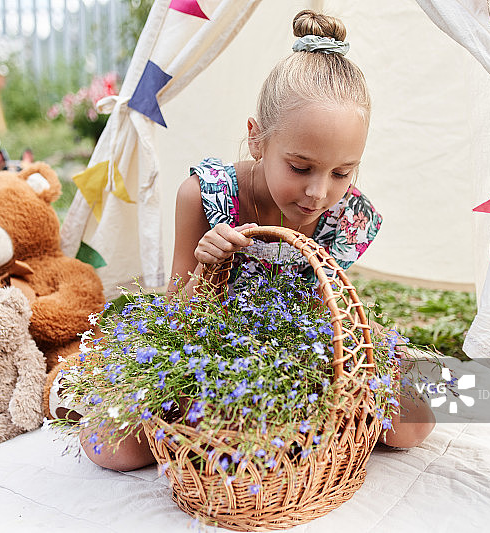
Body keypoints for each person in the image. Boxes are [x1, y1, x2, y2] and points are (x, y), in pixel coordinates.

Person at [83, 9, 435, 471]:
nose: (318, 192)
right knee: (110, 446)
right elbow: (177, 317)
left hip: (294, 365)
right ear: (256, 140)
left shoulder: (344, 217)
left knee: (414, 423)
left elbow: (326, 318)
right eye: (300, 167)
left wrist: (334, 366)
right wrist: (206, 267)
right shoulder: (205, 197)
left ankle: (299, 430)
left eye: (342, 172)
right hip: (214, 359)